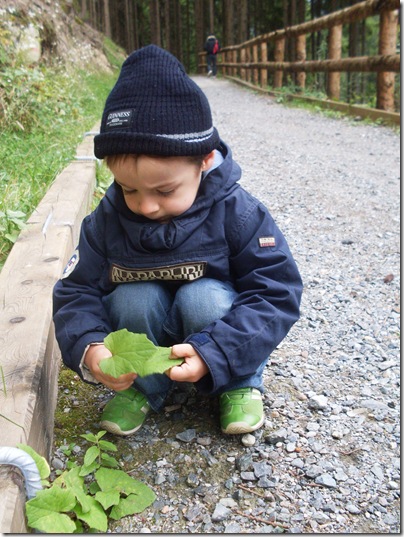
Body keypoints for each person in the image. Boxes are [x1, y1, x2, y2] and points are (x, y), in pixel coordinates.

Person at [53, 44, 302, 437]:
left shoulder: (238, 213)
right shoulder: (106, 220)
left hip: (217, 335)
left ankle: (237, 382)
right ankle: (143, 387)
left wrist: (216, 351)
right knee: (133, 297)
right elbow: (76, 290)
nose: (146, 206)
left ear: (204, 160)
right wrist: (89, 346)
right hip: (147, 343)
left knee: (203, 297)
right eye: (128, 189)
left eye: (165, 191)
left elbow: (275, 292)